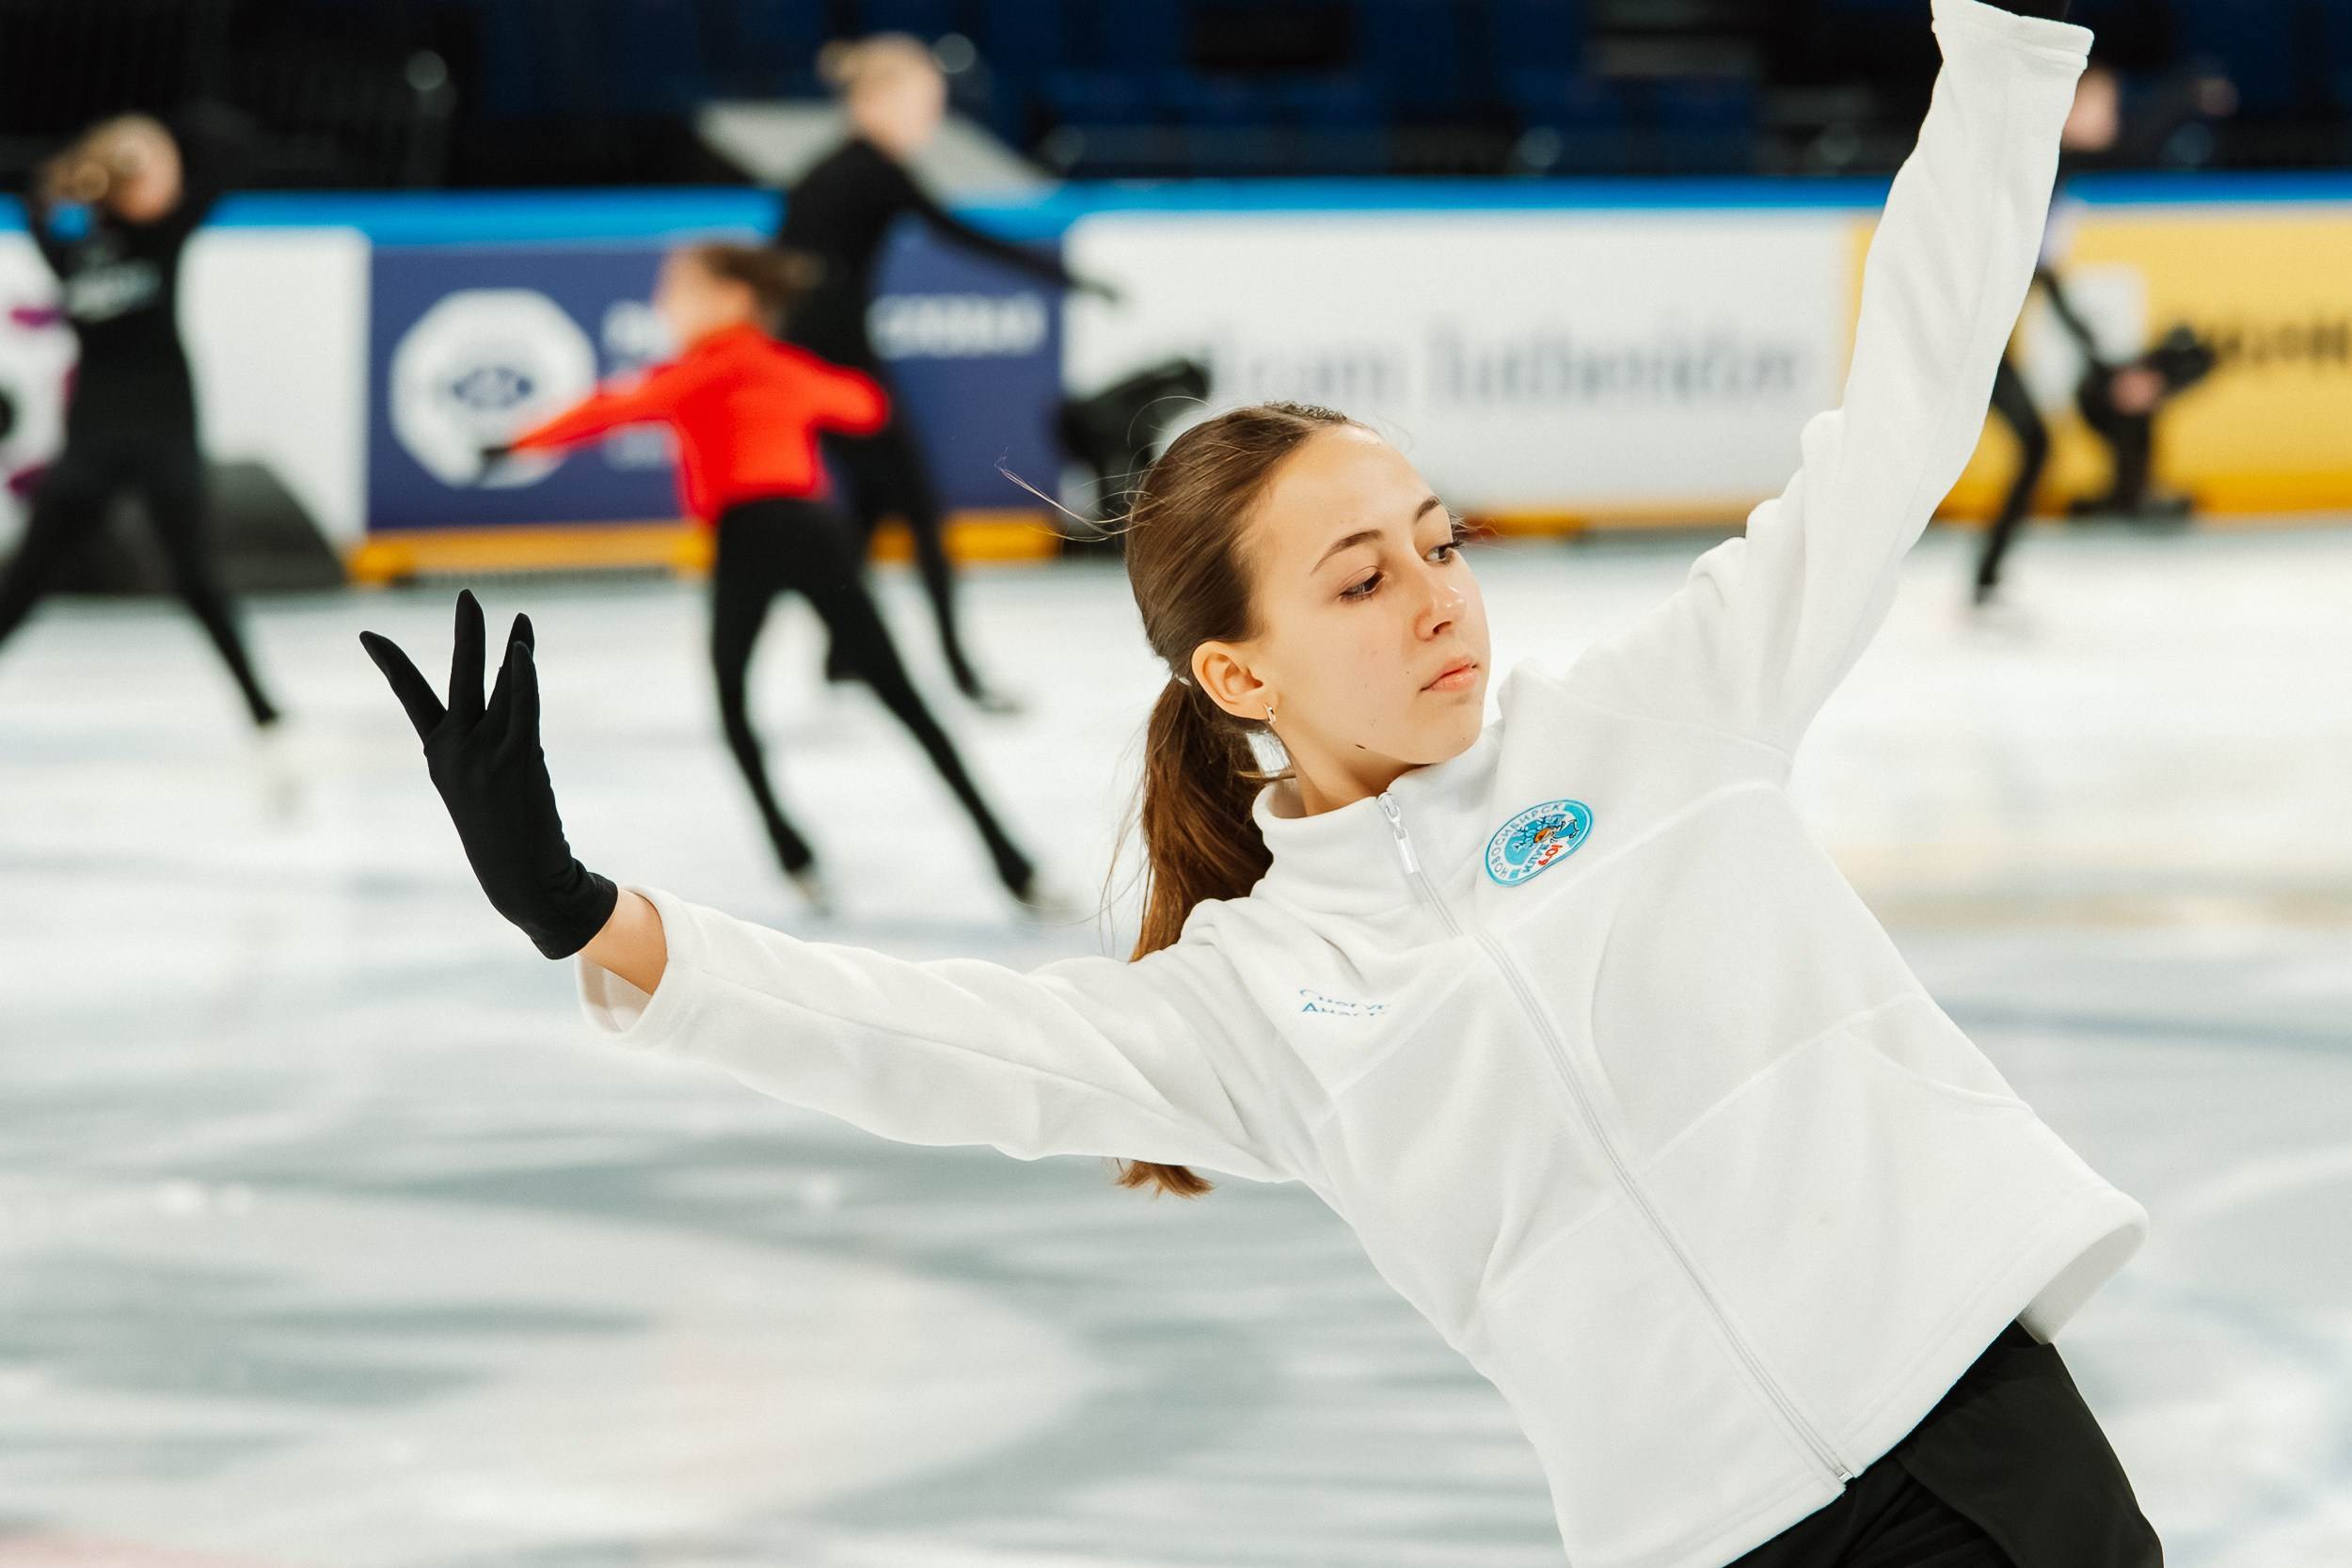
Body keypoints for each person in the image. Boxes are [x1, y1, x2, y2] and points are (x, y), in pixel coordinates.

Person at [365, 4, 2160, 1564]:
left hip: (1988, 1455)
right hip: (1709, 1538)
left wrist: (1999, 48)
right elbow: (935, 1046)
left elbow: (1909, 412)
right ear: (1239, 673)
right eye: (1361, 578)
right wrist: (592, 920)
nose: (1437, 595)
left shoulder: (1665, 715)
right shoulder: (1256, 1001)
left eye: (1437, 542)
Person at [470, 243, 1044, 914]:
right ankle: (1013, 863)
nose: (664, 301)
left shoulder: (698, 371)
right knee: (906, 702)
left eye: (678, 287)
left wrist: (512, 443)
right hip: (816, 533)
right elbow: (862, 405)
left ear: (731, 298)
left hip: (750, 539)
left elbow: (608, 410)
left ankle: (793, 854)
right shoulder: (780, 365)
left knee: (735, 705)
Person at [777, 33, 1109, 712]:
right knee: (921, 514)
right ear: (878, 100)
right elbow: (959, 234)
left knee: (870, 506)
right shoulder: (868, 169)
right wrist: (1061, 275)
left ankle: (844, 657)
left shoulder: (830, 170)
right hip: (840, 370)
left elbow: (785, 274)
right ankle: (960, 673)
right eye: (926, 102)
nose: (933, 117)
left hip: (815, 365)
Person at [0, 113, 278, 727]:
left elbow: (232, 151)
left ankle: (263, 710)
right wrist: (87, 170)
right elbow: (27, 186)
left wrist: (154, 140)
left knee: (198, 580)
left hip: (166, 432)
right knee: (24, 584)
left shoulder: (165, 234)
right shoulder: (69, 242)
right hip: (93, 439)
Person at [1972, 55, 2234, 604]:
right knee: (2014, 447)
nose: (2111, 116)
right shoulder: (2038, 158)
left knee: (2037, 446)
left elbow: (2044, 279)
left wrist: (2098, 359)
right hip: (1960, 333)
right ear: (2067, 106)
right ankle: (1978, 580)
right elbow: (2130, 146)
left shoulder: (2053, 171)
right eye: (2102, 104)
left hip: (1981, 339)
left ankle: (1987, 582)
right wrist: (2187, 88)